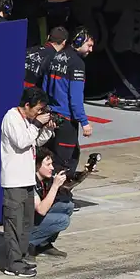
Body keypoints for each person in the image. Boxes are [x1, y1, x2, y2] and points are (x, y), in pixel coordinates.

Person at [0, 86, 56, 277]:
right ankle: (12, 264)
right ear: (27, 105)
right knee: (14, 225)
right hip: (14, 181)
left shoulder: (28, 121)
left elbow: (34, 143)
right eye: (38, 109)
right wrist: (37, 125)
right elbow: (22, 141)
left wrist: (47, 131)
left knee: (25, 224)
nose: (39, 113)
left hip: (27, 180)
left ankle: (21, 257)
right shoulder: (11, 118)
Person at [44, 26, 94, 199]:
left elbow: (45, 87)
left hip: (51, 117)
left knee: (59, 155)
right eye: (89, 45)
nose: (91, 50)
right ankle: (57, 196)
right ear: (79, 42)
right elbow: (75, 96)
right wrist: (84, 121)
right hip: (66, 120)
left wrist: (46, 111)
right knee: (65, 161)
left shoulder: (55, 57)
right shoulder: (77, 64)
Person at [30, 147, 73, 258]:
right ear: (37, 165)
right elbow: (41, 210)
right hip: (24, 224)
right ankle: (26, 246)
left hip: (33, 218)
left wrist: (86, 172)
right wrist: (55, 186)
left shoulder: (44, 180)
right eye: (48, 165)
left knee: (67, 206)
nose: (52, 168)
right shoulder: (30, 182)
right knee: (63, 220)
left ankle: (43, 243)